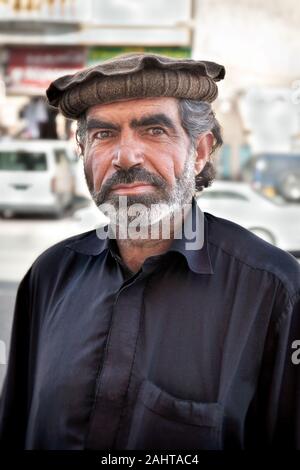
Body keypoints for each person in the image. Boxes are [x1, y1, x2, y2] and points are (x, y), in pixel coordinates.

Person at [0, 53, 299, 450]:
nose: (125, 156)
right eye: (103, 135)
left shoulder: (274, 290)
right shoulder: (49, 275)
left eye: (154, 130)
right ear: (84, 153)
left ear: (200, 152)